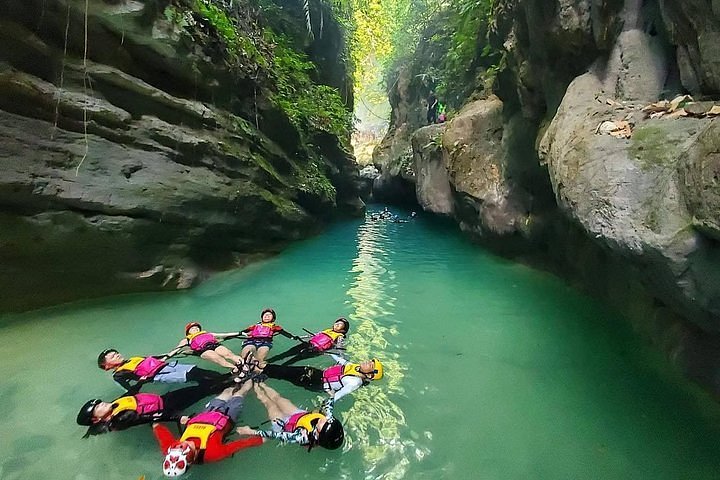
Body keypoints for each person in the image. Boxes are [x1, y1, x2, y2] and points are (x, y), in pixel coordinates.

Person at [152, 381, 263, 477]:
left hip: (208, 413)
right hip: (228, 416)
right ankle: (252, 380)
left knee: (226, 392)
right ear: (193, 456)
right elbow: (243, 444)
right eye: (188, 446)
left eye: (179, 445)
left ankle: (237, 381)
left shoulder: (169, 448)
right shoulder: (213, 453)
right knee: (240, 394)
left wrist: (155, 420)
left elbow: (158, 429)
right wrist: (269, 435)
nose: (187, 441)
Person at [76, 378, 232, 437]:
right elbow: (151, 417)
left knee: (200, 389)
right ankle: (234, 382)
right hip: (167, 408)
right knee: (202, 391)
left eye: (98, 402)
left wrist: (141, 381)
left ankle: (230, 378)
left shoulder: (114, 405)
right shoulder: (119, 419)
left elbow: (130, 394)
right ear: (96, 419)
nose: (100, 403)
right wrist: (178, 417)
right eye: (97, 407)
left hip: (163, 400)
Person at [236, 383, 343, 450]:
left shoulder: (302, 437)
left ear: (318, 433)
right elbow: (329, 404)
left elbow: (277, 435)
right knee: (278, 398)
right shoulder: (328, 419)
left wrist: (251, 431)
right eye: (327, 420)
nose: (323, 419)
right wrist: (332, 394)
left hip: (284, 425)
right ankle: (262, 383)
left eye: (322, 424)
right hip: (298, 415)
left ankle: (257, 389)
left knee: (269, 403)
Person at [98, 348, 227, 394]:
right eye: (112, 356)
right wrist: (141, 383)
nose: (117, 355)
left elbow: (152, 358)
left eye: (116, 353)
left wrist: (168, 354)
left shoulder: (132, 359)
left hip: (167, 365)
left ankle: (225, 378)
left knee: (196, 370)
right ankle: (221, 384)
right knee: (192, 375)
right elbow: (129, 390)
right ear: (107, 366)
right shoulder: (118, 375)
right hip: (159, 375)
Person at [263, 356, 384, 402]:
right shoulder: (355, 367)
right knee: (287, 371)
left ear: (369, 375)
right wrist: (328, 352)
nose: (368, 362)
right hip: (318, 373)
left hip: (317, 383)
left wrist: (328, 403)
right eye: (370, 361)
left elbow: (340, 394)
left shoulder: (355, 382)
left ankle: (259, 369)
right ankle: (261, 370)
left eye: (371, 365)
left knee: (286, 373)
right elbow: (342, 361)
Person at [265, 317, 349, 365]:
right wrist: (298, 337)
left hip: (315, 350)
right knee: (287, 353)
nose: (337, 324)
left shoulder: (339, 337)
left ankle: (277, 369)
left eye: (340, 324)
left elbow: (339, 347)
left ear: (343, 330)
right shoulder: (327, 330)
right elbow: (312, 336)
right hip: (307, 344)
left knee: (295, 359)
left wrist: (341, 357)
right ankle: (267, 362)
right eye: (336, 323)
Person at [176, 322, 243, 369]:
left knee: (228, 354)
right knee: (218, 359)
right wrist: (166, 357)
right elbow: (177, 349)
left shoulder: (208, 334)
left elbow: (224, 334)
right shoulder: (186, 340)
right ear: (188, 332)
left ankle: (244, 363)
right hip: (203, 350)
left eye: (197, 328)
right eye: (193, 328)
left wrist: (240, 333)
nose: (196, 329)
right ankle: (234, 368)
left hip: (214, 345)